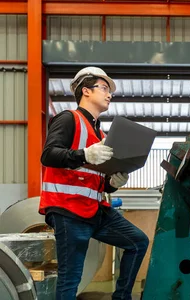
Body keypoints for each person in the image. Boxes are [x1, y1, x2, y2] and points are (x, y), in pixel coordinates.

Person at [39, 66, 149, 300]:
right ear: (86, 90)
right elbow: (48, 155)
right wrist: (83, 155)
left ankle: (121, 297)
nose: (110, 94)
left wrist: (113, 183)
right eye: (104, 88)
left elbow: (96, 179)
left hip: (95, 211)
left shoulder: (100, 136)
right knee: (70, 278)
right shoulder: (68, 118)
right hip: (68, 209)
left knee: (138, 242)